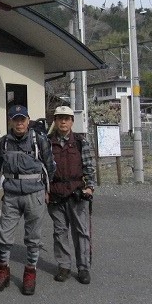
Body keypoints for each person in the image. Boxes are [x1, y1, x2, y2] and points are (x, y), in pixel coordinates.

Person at [0, 105, 55, 296]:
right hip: (11, 194)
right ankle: (3, 270)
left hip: (34, 193)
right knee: (3, 235)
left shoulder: (39, 140)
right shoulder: (3, 143)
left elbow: (50, 166)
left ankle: (30, 272)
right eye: (15, 119)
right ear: (11, 121)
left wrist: (45, 188)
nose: (19, 123)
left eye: (22, 119)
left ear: (28, 121)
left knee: (33, 237)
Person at [47, 106, 95, 285]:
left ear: (72, 121)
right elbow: (43, 168)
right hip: (56, 193)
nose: (63, 121)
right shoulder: (47, 142)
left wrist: (89, 187)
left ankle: (83, 268)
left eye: (66, 118)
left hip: (77, 193)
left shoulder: (81, 142)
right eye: (60, 118)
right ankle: (64, 266)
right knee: (60, 232)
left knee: (81, 232)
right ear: (56, 121)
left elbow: (89, 167)